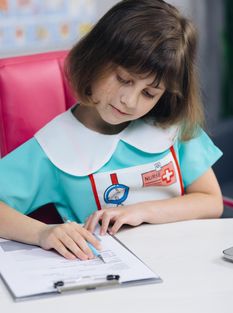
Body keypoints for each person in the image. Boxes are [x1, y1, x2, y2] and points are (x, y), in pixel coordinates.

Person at [0, 0, 223, 261]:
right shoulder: (53, 147)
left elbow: (211, 201)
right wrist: (42, 233)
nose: (129, 100)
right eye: (123, 79)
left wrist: (142, 211)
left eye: (149, 93)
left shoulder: (171, 127)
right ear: (96, 58)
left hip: (186, 262)